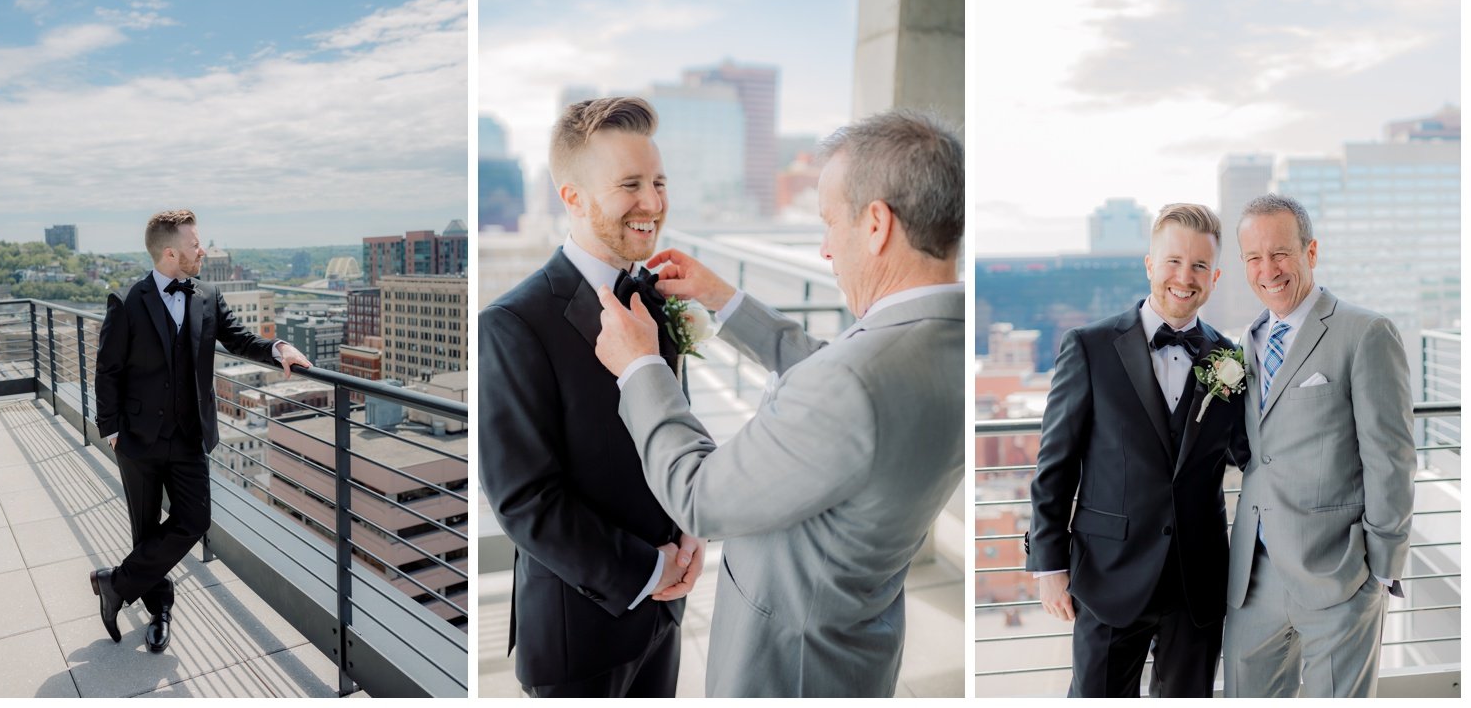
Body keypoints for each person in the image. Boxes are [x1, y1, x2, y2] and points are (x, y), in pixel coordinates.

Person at [593, 109, 965, 697]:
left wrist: (641, 367)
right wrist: (724, 298)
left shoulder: (856, 381)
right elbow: (833, 366)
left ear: (875, 225)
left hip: (787, 667)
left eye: (829, 223)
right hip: (855, 646)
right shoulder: (948, 340)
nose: (824, 249)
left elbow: (699, 496)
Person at [478, 96, 704, 698]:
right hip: (581, 637)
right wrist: (651, 569)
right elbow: (524, 499)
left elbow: (673, 425)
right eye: (630, 184)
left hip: (664, 618)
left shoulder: (655, 297)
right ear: (572, 197)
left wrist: (690, 530)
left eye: (658, 182)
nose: (653, 203)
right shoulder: (513, 323)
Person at [1025, 203, 1249, 697]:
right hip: (1109, 572)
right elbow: (1055, 464)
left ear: (1215, 276)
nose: (1184, 277)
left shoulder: (1230, 359)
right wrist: (1048, 565)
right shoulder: (1089, 346)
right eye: (1173, 261)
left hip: (1197, 580)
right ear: (1150, 264)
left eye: (1199, 266)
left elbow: (1250, 454)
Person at [93, 209, 311, 652]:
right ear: (171, 252)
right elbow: (107, 369)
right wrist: (112, 428)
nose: (203, 250)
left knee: (194, 519)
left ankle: (115, 582)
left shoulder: (208, 295)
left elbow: (240, 339)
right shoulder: (127, 300)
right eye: (195, 244)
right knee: (145, 527)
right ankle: (160, 608)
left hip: (190, 435)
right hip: (137, 439)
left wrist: (278, 347)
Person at [1223, 193, 1414, 698]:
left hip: (1339, 573)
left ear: (1311, 252)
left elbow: (1391, 457)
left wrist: (1380, 570)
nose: (1268, 269)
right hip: (1253, 580)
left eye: (1280, 252)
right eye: (1253, 258)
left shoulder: (1365, 332)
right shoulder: (1248, 341)